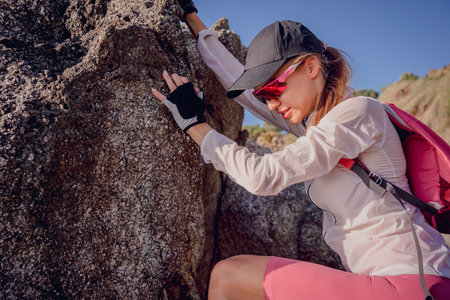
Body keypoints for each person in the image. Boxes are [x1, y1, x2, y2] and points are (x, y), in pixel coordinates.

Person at [151, 1, 450, 299]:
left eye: (274, 90)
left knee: (227, 277)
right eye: (263, 94)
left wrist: (195, 126)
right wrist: (193, 20)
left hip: (412, 283)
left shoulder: (358, 113)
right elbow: (243, 91)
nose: (270, 104)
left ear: (310, 67)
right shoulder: (321, 127)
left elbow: (263, 176)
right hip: (391, 282)